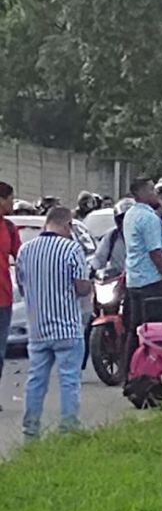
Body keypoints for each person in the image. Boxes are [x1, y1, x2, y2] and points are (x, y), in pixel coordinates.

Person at [15, 206, 91, 442]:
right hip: (67, 327)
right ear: (68, 225)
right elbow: (81, 287)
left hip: (37, 329)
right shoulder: (71, 249)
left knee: (36, 380)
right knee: (69, 379)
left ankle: (31, 430)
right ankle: (68, 429)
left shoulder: (25, 251)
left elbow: (22, 285)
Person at [121, 178, 162, 379]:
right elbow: (156, 254)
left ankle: (131, 371)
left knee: (135, 330)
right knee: (155, 332)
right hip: (152, 282)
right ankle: (154, 373)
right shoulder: (149, 219)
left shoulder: (131, 214)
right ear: (142, 193)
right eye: (152, 190)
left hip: (135, 281)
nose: (156, 194)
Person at [0, 182, 19, 404]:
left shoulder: (10, 229)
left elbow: (21, 258)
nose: (12, 203)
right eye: (10, 199)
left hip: (3, 299)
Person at [92, 198, 133, 278]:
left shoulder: (147, 236)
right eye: (122, 218)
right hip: (117, 281)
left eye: (130, 218)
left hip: (143, 282)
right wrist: (94, 271)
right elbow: (99, 259)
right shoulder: (112, 236)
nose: (126, 222)